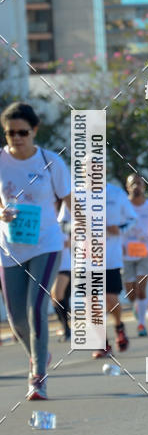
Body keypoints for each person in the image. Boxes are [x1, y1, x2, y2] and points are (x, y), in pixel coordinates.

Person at [0, 102, 70, 400]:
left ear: (34, 130)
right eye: (10, 133)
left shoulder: (51, 162)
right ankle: (38, 353)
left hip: (46, 244)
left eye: (22, 132)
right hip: (10, 247)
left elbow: (71, 201)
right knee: (16, 319)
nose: (16, 138)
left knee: (36, 307)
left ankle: (38, 376)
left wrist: (80, 235)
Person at [93, 181, 136, 358]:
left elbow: (132, 219)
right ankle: (101, 342)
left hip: (110, 257)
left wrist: (119, 229)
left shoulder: (116, 194)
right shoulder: (75, 194)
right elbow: (63, 222)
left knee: (110, 299)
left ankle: (119, 326)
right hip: (86, 258)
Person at [122, 174, 148, 336]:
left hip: (144, 251)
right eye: (133, 183)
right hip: (125, 252)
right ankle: (136, 307)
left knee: (141, 287)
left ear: (144, 187)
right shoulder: (122, 205)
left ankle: (141, 323)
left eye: (139, 183)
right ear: (127, 187)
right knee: (130, 292)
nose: (136, 186)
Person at [52, 201, 71, 341]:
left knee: (57, 294)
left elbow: (71, 241)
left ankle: (67, 329)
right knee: (55, 299)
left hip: (65, 266)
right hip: (49, 267)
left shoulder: (63, 222)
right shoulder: (41, 223)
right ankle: (65, 327)